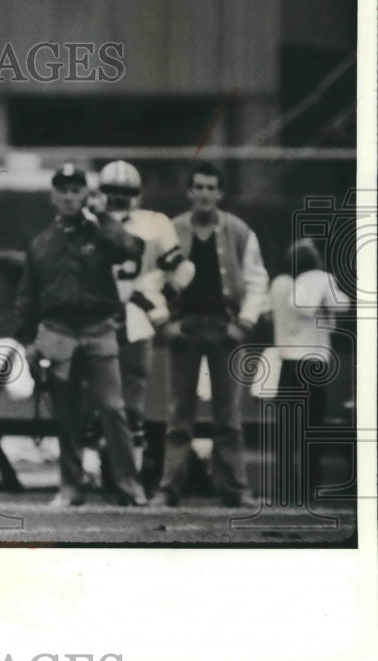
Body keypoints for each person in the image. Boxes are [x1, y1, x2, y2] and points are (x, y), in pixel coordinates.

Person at [15, 163, 148, 507]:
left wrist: (103, 217)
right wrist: (27, 341)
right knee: (67, 413)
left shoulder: (100, 233)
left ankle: (129, 487)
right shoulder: (42, 243)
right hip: (58, 332)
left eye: (76, 190)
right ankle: (71, 488)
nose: (69, 197)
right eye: (63, 190)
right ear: (53, 196)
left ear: (86, 195)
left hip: (99, 328)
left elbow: (131, 249)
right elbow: (28, 296)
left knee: (113, 408)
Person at [153, 162, 268, 508]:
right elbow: (151, 280)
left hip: (224, 329)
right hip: (184, 328)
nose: (204, 193)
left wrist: (243, 323)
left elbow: (257, 279)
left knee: (228, 415)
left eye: (210, 187)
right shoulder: (171, 231)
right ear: (190, 191)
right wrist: (164, 322)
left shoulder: (239, 231)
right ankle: (169, 488)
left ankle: (235, 488)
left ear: (220, 193)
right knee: (179, 415)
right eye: (199, 187)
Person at [96, 160, 195, 494]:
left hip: (138, 319)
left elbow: (182, 272)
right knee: (101, 403)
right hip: (96, 319)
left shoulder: (154, 223)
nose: (118, 198)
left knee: (133, 404)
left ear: (137, 194)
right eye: (112, 191)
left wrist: (157, 298)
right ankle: (107, 469)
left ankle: (130, 476)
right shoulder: (91, 222)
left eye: (123, 192)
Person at [267, 239, 352, 501]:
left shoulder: (279, 284)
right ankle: (309, 485)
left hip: (287, 361)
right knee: (311, 425)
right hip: (313, 360)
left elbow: (272, 313)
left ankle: (283, 487)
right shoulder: (319, 280)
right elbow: (342, 304)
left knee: (286, 429)